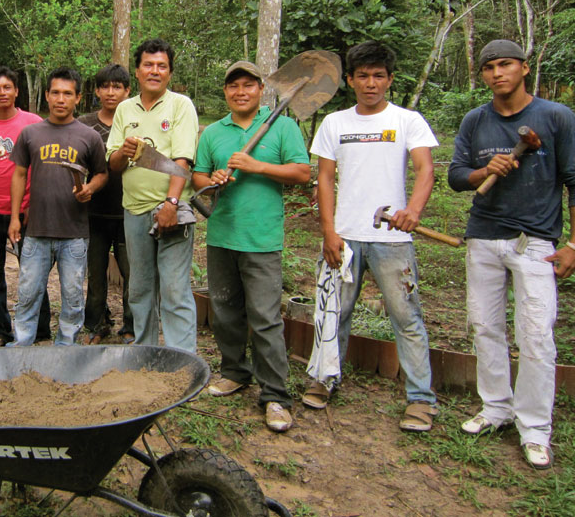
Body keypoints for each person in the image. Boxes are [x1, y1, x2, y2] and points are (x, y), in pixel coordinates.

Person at [448, 39, 575, 469]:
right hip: (483, 236)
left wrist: (574, 243)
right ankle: (496, 408)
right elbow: (456, 177)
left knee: (536, 335)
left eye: (505, 65)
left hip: (535, 241)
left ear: (524, 68)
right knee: (484, 326)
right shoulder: (475, 120)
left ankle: (535, 428)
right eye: (489, 68)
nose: (497, 73)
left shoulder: (555, 117)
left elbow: (574, 180)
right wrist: (487, 170)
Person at [304, 41, 439, 432]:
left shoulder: (407, 121)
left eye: (379, 75)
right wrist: (329, 231)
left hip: (392, 241)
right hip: (344, 238)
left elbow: (424, 170)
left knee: (406, 316)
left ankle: (420, 399)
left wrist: (412, 211)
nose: (371, 83)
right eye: (362, 75)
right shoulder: (335, 124)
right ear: (350, 80)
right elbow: (325, 179)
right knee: (334, 311)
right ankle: (324, 378)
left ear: (390, 80)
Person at [193, 61, 311, 432]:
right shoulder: (213, 132)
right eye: (233, 86)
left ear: (261, 89)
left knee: (264, 318)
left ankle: (275, 395)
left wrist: (255, 166)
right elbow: (197, 174)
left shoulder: (282, 126)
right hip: (222, 234)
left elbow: (301, 173)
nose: (240, 92)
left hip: (261, 239)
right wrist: (212, 178)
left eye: (248, 85)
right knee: (226, 311)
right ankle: (234, 372)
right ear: (226, 92)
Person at [106, 39, 199, 352]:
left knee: (174, 289)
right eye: (149, 64)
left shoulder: (181, 106)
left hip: (171, 210)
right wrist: (124, 151)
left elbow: (183, 160)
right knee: (140, 287)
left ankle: (180, 360)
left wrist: (171, 204)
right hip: (133, 211)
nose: (155, 71)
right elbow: (114, 164)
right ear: (137, 70)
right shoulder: (124, 109)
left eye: (162, 66)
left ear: (170, 72)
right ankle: (145, 352)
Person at [7, 67, 108, 347]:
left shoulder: (89, 136)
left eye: (67, 93)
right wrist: (15, 217)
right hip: (36, 231)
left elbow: (102, 173)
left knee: (73, 297)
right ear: (47, 96)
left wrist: (90, 188)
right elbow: (18, 175)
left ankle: (66, 346)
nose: (60, 99)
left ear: (77, 98)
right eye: (55, 93)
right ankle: (22, 343)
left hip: (74, 234)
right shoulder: (30, 134)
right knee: (27, 293)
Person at [0, 65, 51, 347]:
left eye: (7, 87)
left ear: (17, 91)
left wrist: (35, 203)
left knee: (33, 273)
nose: (2, 92)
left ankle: (40, 331)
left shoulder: (34, 123)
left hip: (29, 211)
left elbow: (43, 168)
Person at [78, 63, 134, 345]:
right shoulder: (85, 123)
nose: (111, 92)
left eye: (117, 87)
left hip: (129, 212)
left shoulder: (135, 119)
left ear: (127, 90)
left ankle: (130, 327)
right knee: (95, 272)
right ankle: (97, 324)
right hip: (94, 212)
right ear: (97, 90)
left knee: (131, 273)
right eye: (105, 86)